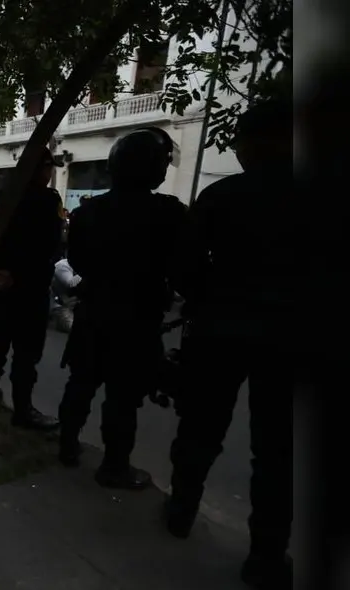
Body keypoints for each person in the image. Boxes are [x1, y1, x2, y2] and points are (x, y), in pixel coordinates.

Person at [164, 100, 297, 589]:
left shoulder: (223, 197)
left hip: (220, 330)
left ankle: (181, 508)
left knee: (200, 428)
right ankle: (266, 554)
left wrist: (210, 299)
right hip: (290, 337)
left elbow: (184, 266)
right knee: (277, 451)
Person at [56, 127, 188, 489]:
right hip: (136, 322)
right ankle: (114, 466)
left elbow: (78, 261)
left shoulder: (88, 212)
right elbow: (182, 269)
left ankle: (67, 445)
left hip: (94, 314)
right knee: (122, 400)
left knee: (80, 384)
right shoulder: (169, 214)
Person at [0, 147, 64, 428]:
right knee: (26, 355)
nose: (50, 173)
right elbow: (50, 246)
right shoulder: (46, 200)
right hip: (30, 288)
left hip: (3, 285)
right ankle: (23, 409)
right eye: (49, 166)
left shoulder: (5, 196)